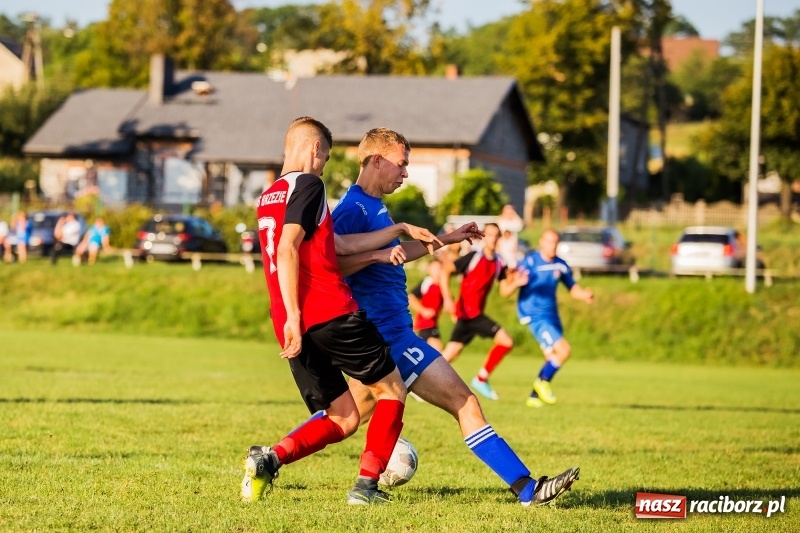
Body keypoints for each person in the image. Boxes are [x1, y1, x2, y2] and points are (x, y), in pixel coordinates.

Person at [324, 127, 579, 507]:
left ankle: (271, 457)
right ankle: (527, 489)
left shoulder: (374, 206)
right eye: (402, 164)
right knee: (464, 403)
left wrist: (449, 237)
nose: (406, 173)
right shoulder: (352, 210)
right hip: (389, 337)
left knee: (345, 419)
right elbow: (335, 266)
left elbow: (400, 252)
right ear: (376, 160)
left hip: (393, 333)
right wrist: (378, 257)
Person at [244, 117, 441, 506]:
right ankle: (367, 488)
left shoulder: (269, 196)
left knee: (345, 417)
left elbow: (338, 246)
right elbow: (288, 249)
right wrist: (297, 314)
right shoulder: (309, 184)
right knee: (392, 389)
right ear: (315, 150)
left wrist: (396, 234)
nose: (323, 167)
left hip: (287, 322)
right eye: (326, 158)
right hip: (328, 311)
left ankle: (268, 460)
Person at [502, 228, 594, 408]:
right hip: (535, 316)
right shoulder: (529, 262)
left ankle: (534, 396)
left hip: (552, 315)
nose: (553, 246)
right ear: (542, 242)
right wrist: (515, 283)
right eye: (550, 242)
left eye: (556, 242)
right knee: (564, 351)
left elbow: (572, 288)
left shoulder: (560, 264)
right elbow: (505, 289)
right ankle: (542, 382)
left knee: (551, 357)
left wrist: (584, 295)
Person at [440, 222, 518, 402]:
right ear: (484, 237)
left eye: (495, 235)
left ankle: (417, 379)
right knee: (506, 341)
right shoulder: (473, 257)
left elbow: (504, 292)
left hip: (472, 315)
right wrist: (448, 298)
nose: (492, 238)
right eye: (489, 234)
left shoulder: (499, 263)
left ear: (498, 238)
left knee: (451, 352)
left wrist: (515, 282)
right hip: (469, 314)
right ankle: (481, 379)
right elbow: (446, 271)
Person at [408, 257, 445, 352]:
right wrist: (423, 310)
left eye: (440, 268)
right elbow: (411, 298)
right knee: (437, 349)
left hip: (433, 324)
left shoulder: (443, 285)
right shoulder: (427, 282)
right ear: (429, 269)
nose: (438, 271)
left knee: (427, 353)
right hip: (425, 324)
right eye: (435, 269)